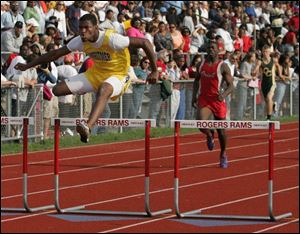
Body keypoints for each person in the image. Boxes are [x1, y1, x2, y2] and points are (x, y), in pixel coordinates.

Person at [15, 13, 158, 143]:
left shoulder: (113, 39)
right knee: (58, 90)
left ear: (95, 28)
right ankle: (86, 91)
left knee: (104, 89)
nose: (83, 31)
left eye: (86, 28)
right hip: (95, 74)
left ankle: (87, 128)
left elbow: (144, 43)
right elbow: (55, 54)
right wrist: (28, 65)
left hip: (119, 75)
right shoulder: (80, 41)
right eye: (80, 28)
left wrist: (154, 70)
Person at [192, 41, 234, 168]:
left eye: (213, 48)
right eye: (208, 47)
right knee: (200, 123)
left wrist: (224, 94)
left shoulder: (223, 66)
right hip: (204, 99)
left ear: (218, 50)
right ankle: (210, 134)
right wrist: (194, 96)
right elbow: (196, 81)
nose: (210, 50)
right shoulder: (201, 64)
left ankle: (223, 154)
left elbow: (231, 85)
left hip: (217, 100)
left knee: (221, 131)